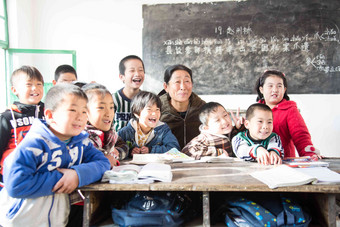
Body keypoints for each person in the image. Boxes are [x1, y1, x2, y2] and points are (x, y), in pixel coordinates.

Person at [0, 84, 110, 227]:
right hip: (21, 221)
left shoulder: (81, 142)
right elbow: (16, 184)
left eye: (84, 111)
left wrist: (77, 175)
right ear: (50, 115)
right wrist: (61, 179)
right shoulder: (34, 144)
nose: (80, 117)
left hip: (56, 220)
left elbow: (103, 163)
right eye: (72, 110)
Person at [255, 70, 321, 159]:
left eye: (279, 86)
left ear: (284, 89)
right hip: (258, 162)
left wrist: (309, 156)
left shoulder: (290, 110)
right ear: (261, 89)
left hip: (284, 162)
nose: (275, 90)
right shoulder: (255, 110)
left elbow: (301, 136)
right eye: (270, 86)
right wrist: (238, 128)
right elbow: (247, 138)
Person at [0, 65, 45, 189]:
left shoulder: (49, 113)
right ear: (14, 90)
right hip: (12, 178)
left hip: (42, 176)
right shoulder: (7, 117)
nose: (35, 88)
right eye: (28, 84)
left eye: (39, 84)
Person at [118, 91, 180, 155]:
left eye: (157, 110)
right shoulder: (125, 132)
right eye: (149, 109)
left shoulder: (163, 130)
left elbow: (174, 149)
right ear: (136, 113)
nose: (154, 113)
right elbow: (115, 149)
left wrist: (151, 150)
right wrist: (129, 152)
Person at [159, 64, 206, 149]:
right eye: (177, 82)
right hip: (165, 160)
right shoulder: (156, 110)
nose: (183, 87)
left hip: (197, 159)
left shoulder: (204, 109)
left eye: (187, 81)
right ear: (166, 87)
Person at [82, 83, 129, 166]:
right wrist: (105, 159)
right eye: (101, 107)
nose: (108, 113)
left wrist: (117, 152)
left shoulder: (110, 133)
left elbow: (124, 146)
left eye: (111, 107)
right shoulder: (83, 138)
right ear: (84, 112)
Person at [113, 55, 145, 131]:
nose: (137, 74)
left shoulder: (147, 100)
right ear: (122, 77)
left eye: (140, 70)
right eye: (132, 70)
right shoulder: (113, 100)